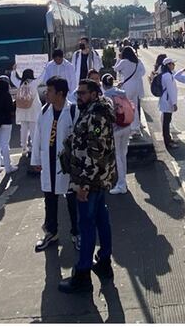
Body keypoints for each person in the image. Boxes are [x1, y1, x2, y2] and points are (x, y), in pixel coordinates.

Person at [58, 79, 117, 294]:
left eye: (82, 93)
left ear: (94, 93)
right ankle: (103, 261)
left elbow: (95, 152)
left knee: (87, 225)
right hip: (100, 178)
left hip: (90, 181)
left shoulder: (95, 115)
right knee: (101, 219)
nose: (78, 96)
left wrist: (83, 184)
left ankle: (82, 273)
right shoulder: (95, 110)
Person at [33, 77, 80, 251]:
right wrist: (36, 159)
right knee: (49, 200)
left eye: (50, 91)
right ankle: (51, 233)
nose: (47, 93)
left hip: (67, 166)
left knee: (72, 201)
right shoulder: (45, 110)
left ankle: (77, 233)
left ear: (60, 93)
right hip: (48, 163)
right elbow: (38, 136)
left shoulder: (73, 111)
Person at [101, 74, 137, 192]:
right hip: (126, 126)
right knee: (123, 155)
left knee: (118, 156)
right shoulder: (121, 92)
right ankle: (123, 182)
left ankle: (121, 185)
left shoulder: (106, 96)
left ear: (103, 84)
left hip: (115, 129)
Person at [11, 67, 43, 165]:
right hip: (33, 111)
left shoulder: (19, 84)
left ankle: (24, 147)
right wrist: (45, 67)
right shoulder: (33, 83)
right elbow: (42, 77)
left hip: (22, 110)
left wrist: (14, 70)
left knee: (23, 129)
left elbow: (13, 78)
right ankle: (33, 148)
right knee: (34, 130)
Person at [114, 46, 145, 137]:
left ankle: (129, 128)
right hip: (136, 86)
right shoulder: (136, 62)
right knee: (134, 107)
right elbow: (141, 72)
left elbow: (115, 68)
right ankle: (136, 128)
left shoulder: (123, 62)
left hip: (127, 86)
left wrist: (118, 59)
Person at [156, 56, 179, 150]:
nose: (174, 65)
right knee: (166, 123)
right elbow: (171, 90)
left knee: (167, 122)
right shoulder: (167, 76)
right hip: (167, 101)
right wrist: (174, 103)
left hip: (166, 101)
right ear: (168, 65)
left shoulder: (166, 74)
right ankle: (167, 142)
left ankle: (168, 139)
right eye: (172, 64)